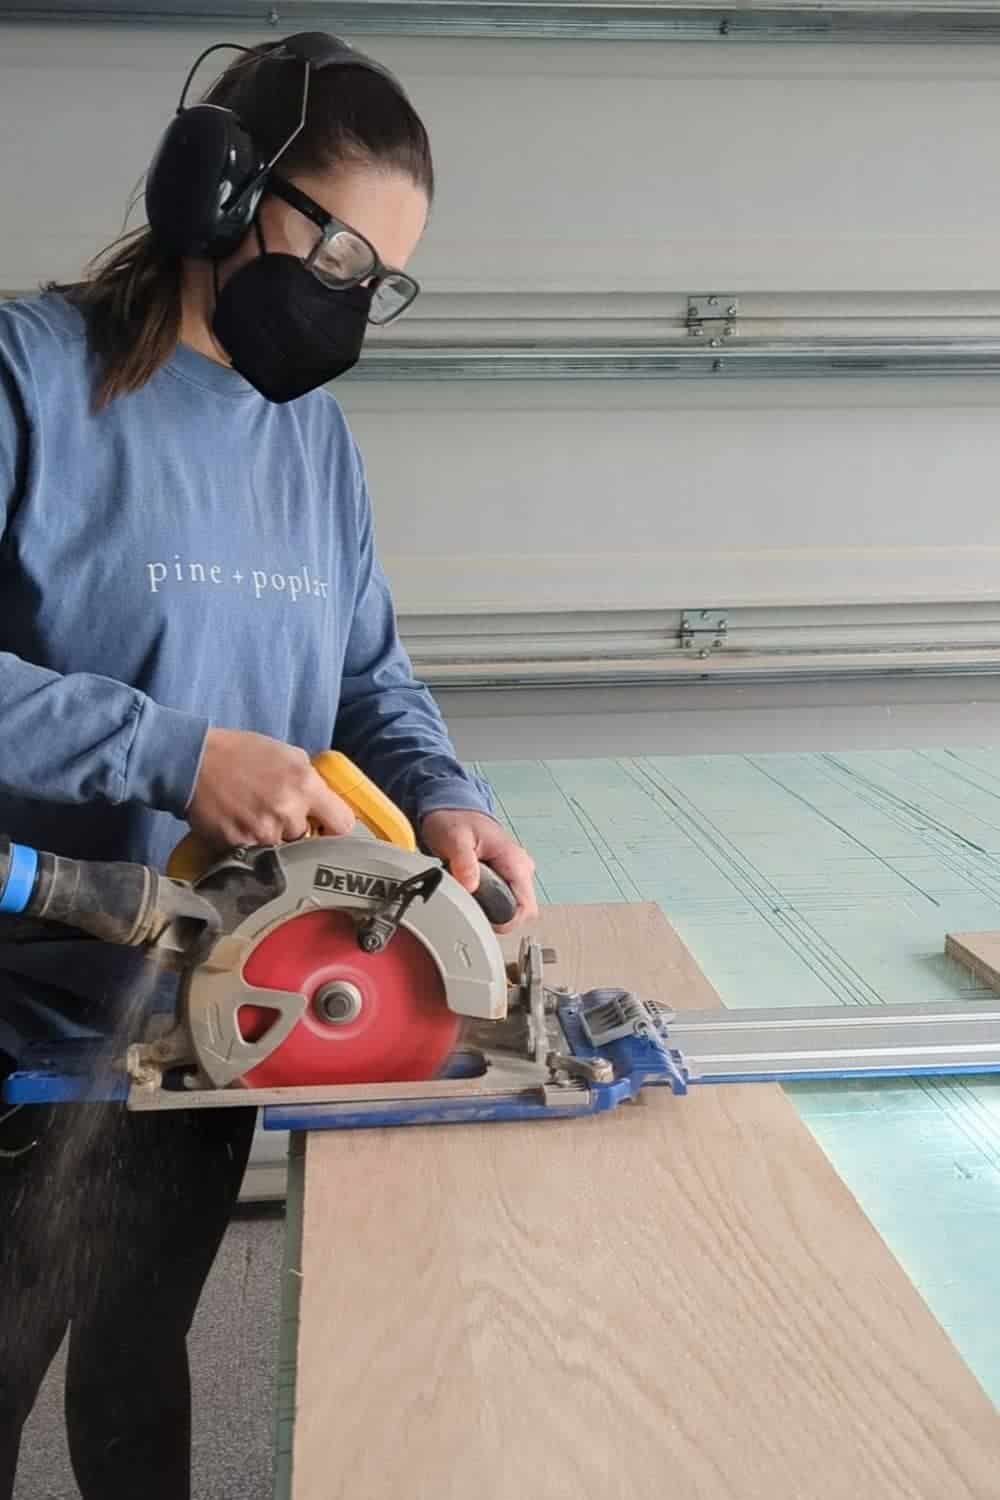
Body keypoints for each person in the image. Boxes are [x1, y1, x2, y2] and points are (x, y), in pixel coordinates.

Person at [0, 31, 537, 1499]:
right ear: (221, 187)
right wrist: (176, 755)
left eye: (384, 280)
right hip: (20, 1018)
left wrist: (447, 796)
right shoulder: (29, 377)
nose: (352, 298)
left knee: (138, 1363)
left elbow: (370, 675)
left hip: (214, 1014)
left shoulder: (318, 447)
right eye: (343, 248)